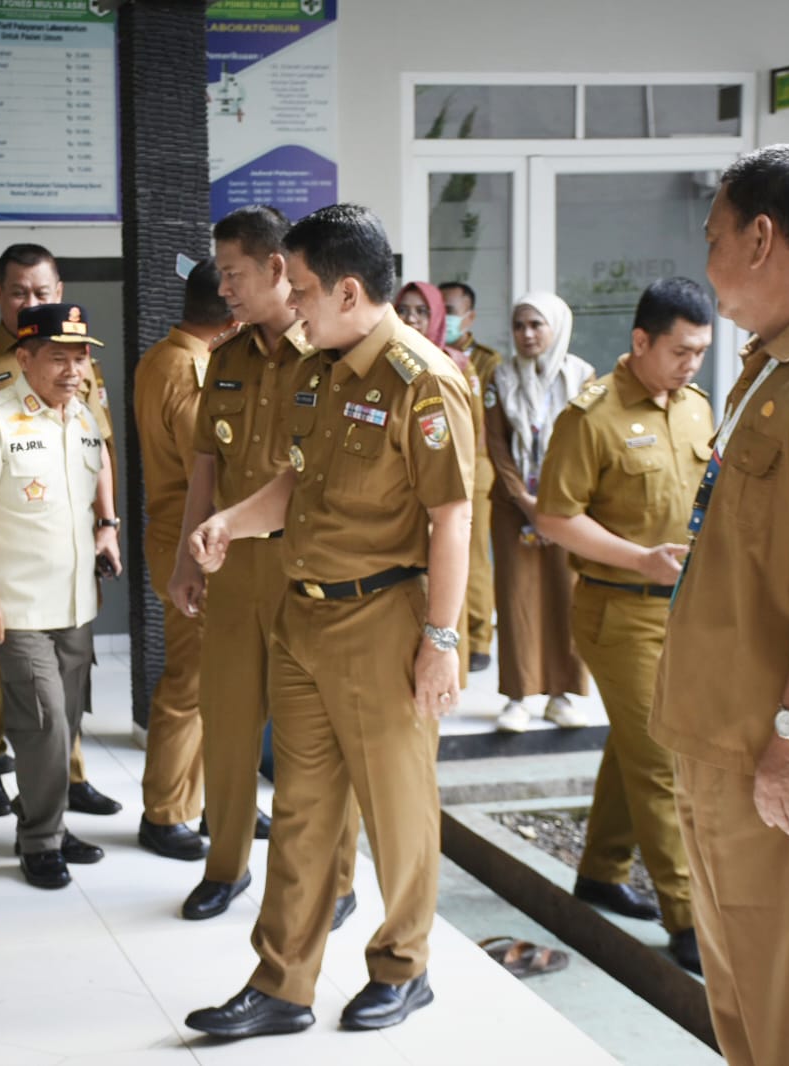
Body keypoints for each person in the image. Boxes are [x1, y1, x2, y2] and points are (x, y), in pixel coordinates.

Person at [185, 203, 475, 1038]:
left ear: (349, 291)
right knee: (306, 814)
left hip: (383, 621)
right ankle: (282, 981)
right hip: (303, 620)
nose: (292, 303)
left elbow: (451, 517)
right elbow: (295, 482)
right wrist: (230, 521)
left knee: (397, 812)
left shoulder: (423, 380)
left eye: (303, 289)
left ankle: (402, 967)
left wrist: (442, 641)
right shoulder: (319, 369)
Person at [649, 145, 789, 1066]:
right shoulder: (767, 370)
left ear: (761, 238)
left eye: (715, 236)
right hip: (717, 737)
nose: (707, 262)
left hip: (768, 749)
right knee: (738, 995)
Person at [171, 205, 357, 923]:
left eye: (232, 273)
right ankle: (226, 866)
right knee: (225, 721)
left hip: (309, 568)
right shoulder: (226, 359)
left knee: (319, 735)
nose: (222, 289)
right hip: (232, 570)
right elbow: (204, 470)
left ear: (279, 270)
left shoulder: (333, 358)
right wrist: (190, 559)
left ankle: (336, 880)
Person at [533, 278, 715, 974]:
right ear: (639, 342)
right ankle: (688, 918)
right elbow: (554, 517)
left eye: (699, 352)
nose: (690, 364)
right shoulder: (591, 417)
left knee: (634, 747)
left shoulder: (696, 409)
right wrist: (641, 557)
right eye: (679, 351)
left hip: (685, 614)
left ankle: (600, 870)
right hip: (617, 613)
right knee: (662, 760)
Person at [0, 243, 120, 818]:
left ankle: (69, 776)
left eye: (41, 291)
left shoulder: (81, 362)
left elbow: (98, 445)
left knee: (68, 674)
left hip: (60, 544)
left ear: (58, 291)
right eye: (18, 291)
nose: (29, 300)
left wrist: (105, 523)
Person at [131, 258, 230, 863]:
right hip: (195, 537)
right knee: (192, 681)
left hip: (180, 531)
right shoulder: (194, 375)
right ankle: (165, 810)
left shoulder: (160, 357)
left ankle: (219, 802)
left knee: (226, 681)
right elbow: (211, 474)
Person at [485, 293, 592, 730]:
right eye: (519, 326)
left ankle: (561, 693)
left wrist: (555, 504)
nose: (527, 334)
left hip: (566, 507)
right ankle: (517, 696)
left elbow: (586, 443)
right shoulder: (500, 378)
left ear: (556, 326)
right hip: (515, 509)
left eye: (536, 325)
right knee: (516, 598)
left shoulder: (583, 377)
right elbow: (495, 445)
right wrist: (528, 503)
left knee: (564, 595)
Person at [395, 280, 494, 685]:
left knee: (457, 568)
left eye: (421, 311)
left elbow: (472, 432)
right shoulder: (392, 361)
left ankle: (464, 650)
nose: (412, 319)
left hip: (453, 482)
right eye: (404, 310)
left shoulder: (455, 364)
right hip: (408, 487)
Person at [438, 281, 501, 672]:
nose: (446, 318)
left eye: (452, 309)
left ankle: (479, 639)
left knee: (473, 556)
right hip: (444, 468)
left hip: (474, 467)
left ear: (469, 316)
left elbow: (484, 426)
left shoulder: (482, 362)